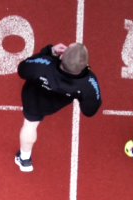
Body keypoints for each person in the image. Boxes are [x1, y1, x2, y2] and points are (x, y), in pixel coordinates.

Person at [15, 42, 101, 172]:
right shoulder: (89, 82)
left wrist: (50, 51)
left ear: (61, 57)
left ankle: (25, 159)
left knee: (30, 125)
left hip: (33, 100)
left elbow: (22, 69)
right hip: (53, 105)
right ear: (84, 66)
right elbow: (90, 110)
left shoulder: (43, 64)